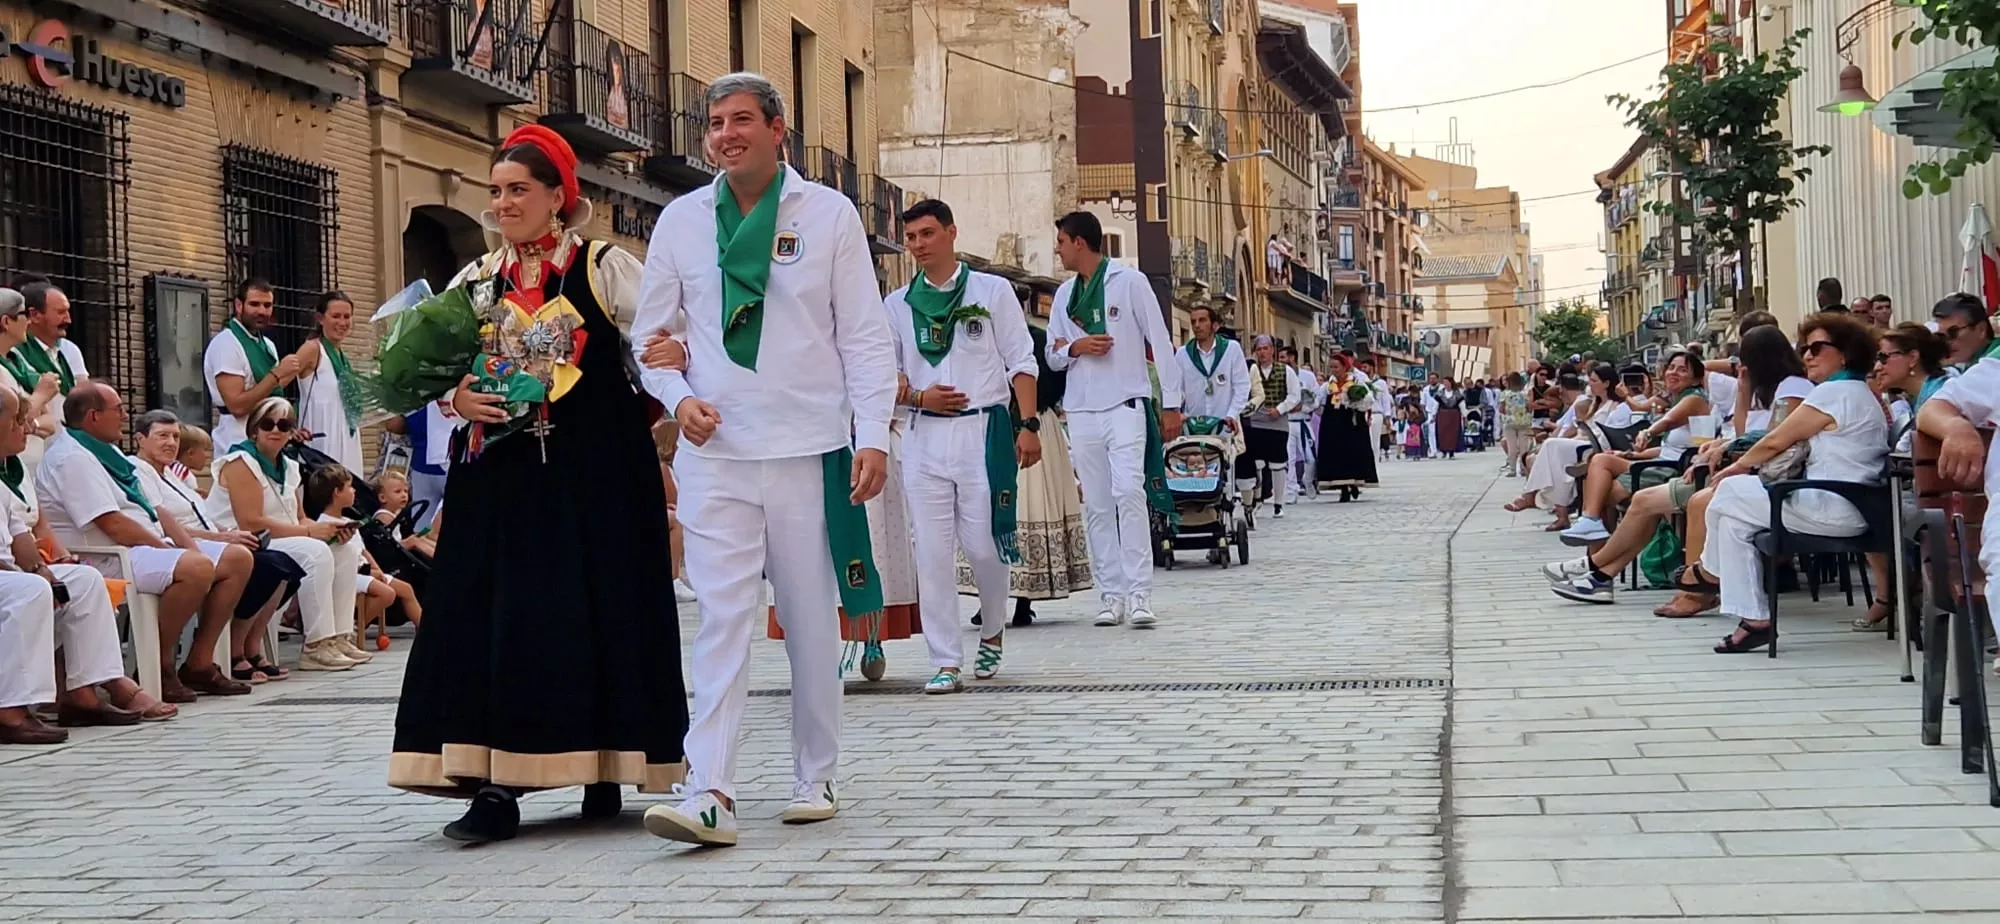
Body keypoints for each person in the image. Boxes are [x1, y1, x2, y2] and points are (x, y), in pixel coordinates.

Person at [387, 124, 688, 843]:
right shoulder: (476, 280)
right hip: (502, 479)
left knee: (600, 607)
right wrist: (456, 399)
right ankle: (496, 786)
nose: (503, 202)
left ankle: (607, 760)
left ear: (559, 196)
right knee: (499, 616)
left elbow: (660, 345)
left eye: (518, 189)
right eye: (496, 191)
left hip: (596, 475)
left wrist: (675, 363)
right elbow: (427, 372)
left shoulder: (605, 265)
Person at [629, 73, 894, 847]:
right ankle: (708, 787)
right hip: (718, 453)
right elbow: (650, 342)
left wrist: (872, 432)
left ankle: (815, 772)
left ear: (779, 129)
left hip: (810, 449)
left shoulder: (830, 214)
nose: (725, 134)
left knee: (810, 620)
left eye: (742, 119)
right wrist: (678, 398)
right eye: (715, 123)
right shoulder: (679, 220)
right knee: (720, 619)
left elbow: (864, 337)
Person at [882, 198, 1039, 694]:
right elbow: (885, 375)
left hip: (982, 433)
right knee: (931, 552)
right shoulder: (896, 305)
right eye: (911, 238)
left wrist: (1028, 423)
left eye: (927, 234)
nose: (919, 246)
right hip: (925, 436)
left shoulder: (992, 292)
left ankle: (992, 629)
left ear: (951, 232)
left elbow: (1021, 359)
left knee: (985, 549)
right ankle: (945, 659)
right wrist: (917, 395)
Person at [36, 383, 256, 699]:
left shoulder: (106, 451)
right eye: (118, 410)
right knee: (195, 568)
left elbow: (157, 509)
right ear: (94, 416)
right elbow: (112, 524)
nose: (125, 416)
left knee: (237, 558)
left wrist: (186, 546)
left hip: (144, 544)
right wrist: (166, 548)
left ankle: (198, 662)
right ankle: (160, 665)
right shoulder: (72, 458)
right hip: (110, 555)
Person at [1702, 314, 1888, 653]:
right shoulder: (1857, 391)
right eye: (1804, 348)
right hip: (1848, 503)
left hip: (1833, 507)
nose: (1807, 356)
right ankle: (1753, 620)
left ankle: (1708, 571)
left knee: (1727, 490)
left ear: (1844, 353)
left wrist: (1738, 466)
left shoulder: (1835, 393)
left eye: (1817, 348)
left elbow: (1777, 440)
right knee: (1732, 520)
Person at [1046, 210, 1181, 626]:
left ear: (1080, 243)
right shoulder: (1064, 295)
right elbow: (1052, 355)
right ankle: (1111, 596)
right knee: (1099, 506)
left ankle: (1140, 594)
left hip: (1126, 403)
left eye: (1062, 242)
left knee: (1129, 493)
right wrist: (1077, 347)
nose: (1059, 250)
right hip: (1083, 409)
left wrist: (1171, 401)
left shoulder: (1129, 282)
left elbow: (1159, 339)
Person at [129, 412, 301, 684]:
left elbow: (199, 517)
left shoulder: (173, 474)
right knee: (255, 561)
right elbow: (162, 523)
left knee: (282, 565)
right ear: (140, 439)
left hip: (201, 541)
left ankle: (209, 655)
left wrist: (227, 534)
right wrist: (221, 540)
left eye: (175, 436)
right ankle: (186, 659)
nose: (171, 443)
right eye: (162, 436)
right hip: (169, 547)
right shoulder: (137, 470)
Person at [205, 397, 367, 672]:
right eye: (268, 423)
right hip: (244, 539)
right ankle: (316, 644)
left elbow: (299, 515)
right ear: (254, 429)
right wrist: (308, 532)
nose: (276, 430)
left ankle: (339, 637)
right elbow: (250, 521)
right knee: (315, 552)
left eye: (285, 424)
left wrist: (325, 531)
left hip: (283, 536)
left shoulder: (290, 468)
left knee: (345, 549)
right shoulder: (240, 461)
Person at [971, 322, 1092, 627]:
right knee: (990, 510)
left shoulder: (1038, 340)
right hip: (997, 424)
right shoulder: (984, 336)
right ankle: (991, 599)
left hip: (1031, 424)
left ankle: (1021, 600)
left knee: (1027, 506)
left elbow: (1055, 381)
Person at [204, 278, 305, 452]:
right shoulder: (226, 344)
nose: (262, 311)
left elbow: (269, 391)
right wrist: (277, 374)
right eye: (254, 304)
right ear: (238, 305)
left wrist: (288, 428)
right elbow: (237, 406)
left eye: (267, 305)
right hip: (237, 440)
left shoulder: (267, 344)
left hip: (268, 437)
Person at [1173, 305, 1251, 491]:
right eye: (1193, 322)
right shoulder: (1184, 354)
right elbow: (1177, 388)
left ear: (1215, 325)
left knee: (1224, 470)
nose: (1196, 325)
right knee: (1195, 468)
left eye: (1202, 320)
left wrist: (1232, 414)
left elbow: (1242, 385)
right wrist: (1178, 412)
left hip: (1223, 423)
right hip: (1194, 426)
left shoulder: (1231, 350)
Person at [295, 291, 365, 472]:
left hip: (346, 436)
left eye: (347, 317)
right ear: (320, 318)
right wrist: (288, 427)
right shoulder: (312, 349)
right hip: (321, 437)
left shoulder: (344, 359)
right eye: (335, 316)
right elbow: (278, 383)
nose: (342, 323)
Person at [1240, 335, 1296, 519]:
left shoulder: (1285, 371)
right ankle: (1258, 497)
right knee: (1256, 462)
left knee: (1277, 464)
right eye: (1259, 349)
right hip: (1255, 422)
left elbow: (1294, 395)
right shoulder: (1250, 370)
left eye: (1265, 348)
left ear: (1272, 350)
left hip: (1277, 423)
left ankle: (1279, 503)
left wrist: (1279, 410)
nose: (1262, 352)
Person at [1282, 345, 1320, 503]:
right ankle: (1291, 490)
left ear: (1292, 358)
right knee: (1288, 458)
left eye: (1283, 357)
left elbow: (1316, 398)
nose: (1281, 361)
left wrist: (1303, 407)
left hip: (1304, 421)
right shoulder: (1279, 375)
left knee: (1310, 457)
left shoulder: (1308, 376)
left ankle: (1308, 480)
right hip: (1286, 422)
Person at [1933, 292, 1997, 369]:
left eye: (1953, 332)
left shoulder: (1995, 362)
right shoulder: (1967, 362)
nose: (1947, 341)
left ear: (1981, 330)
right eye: (1941, 336)